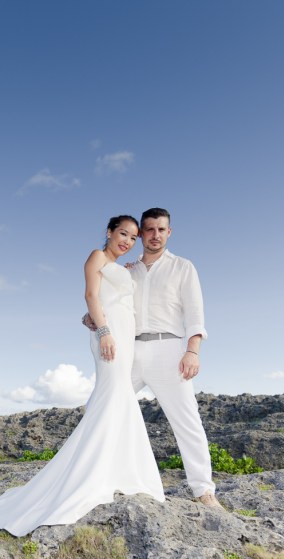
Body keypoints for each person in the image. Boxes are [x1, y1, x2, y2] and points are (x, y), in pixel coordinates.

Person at [0, 215, 165, 538]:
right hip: (110, 336)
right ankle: (93, 474)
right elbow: (91, 296)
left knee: (116, 398)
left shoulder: (123, 269)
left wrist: (95, 320)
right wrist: (104, 330)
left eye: (133, 237)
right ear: (109, 232)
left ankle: (116, 468)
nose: (127, 241)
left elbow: (107, 301)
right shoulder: (97, 257)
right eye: (123, 233)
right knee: (114, 396)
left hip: (123, 334)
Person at [85, 207, 221, 509]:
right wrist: (91, 317)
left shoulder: (183, 267)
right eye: (149, 230)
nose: (155, 235)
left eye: (161, 229)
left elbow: (195, 313)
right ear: (142, 234)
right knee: (101, 409)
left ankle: (203, 490)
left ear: (169, 232)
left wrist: (192, 350)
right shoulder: (128, 270)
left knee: (187, 421)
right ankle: (95, 478)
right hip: (128, 351)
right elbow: (106, 299)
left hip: (169, 351)